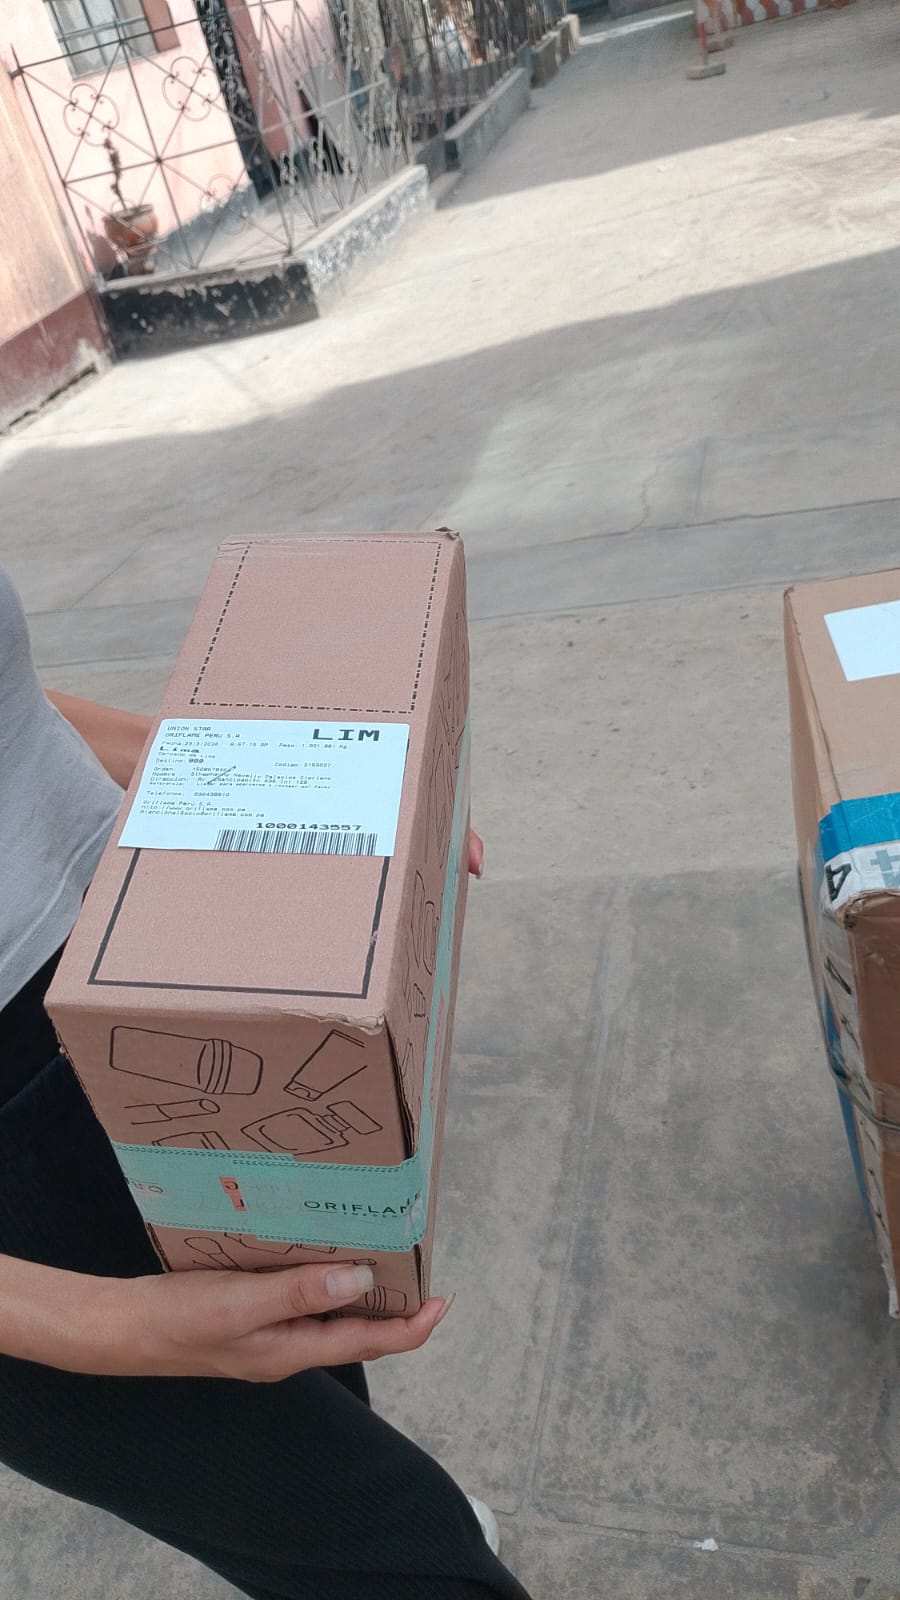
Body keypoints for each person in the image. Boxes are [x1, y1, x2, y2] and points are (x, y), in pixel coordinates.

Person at [0, 561, 531, 1600]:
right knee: (402, 1545)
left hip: (130, 967)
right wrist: (123, 1326)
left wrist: (262, 781)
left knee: (304, 1341)